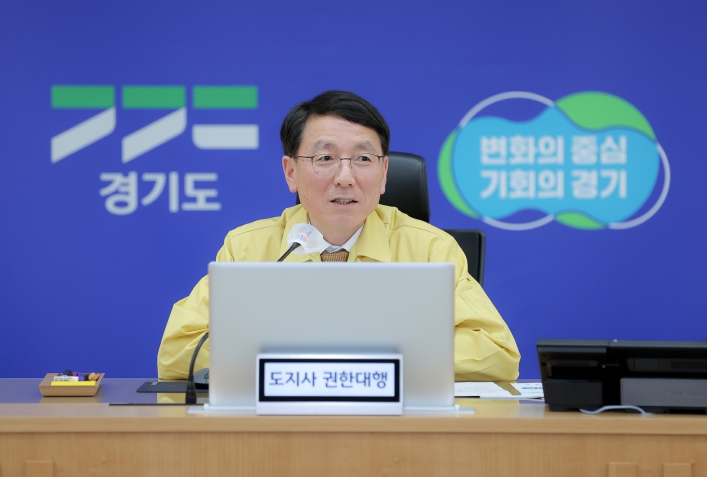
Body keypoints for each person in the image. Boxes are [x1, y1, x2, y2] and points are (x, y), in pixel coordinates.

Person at [157, 90, 520, 381]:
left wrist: (361, 360)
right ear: (291, 172)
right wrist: (309, 364)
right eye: (325, 158)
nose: (345, 177)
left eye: (363, 159)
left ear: (384, 174)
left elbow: (497, 353)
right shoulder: (248, 248)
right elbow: (178, 351)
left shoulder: (430, 249)